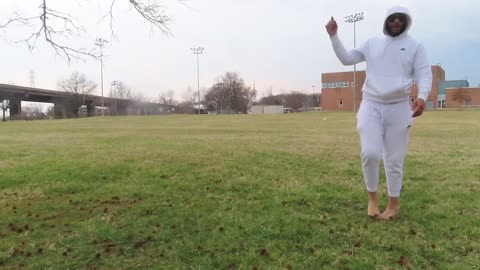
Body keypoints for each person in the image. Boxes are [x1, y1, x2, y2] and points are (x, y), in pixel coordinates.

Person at [325, 6, 432, 220]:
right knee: (370, 153)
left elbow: (424, 73)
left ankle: (393, 205)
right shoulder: (372, 43)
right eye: (392, 19)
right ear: (386, 20)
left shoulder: (415, 46)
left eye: (401, 19)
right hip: (371, 104)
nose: (396, 23)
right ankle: (372, 199)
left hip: (400, 106)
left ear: (406, 22)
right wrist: (334, 35)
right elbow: (347, 59)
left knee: (394, 160)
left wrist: (422, 97)